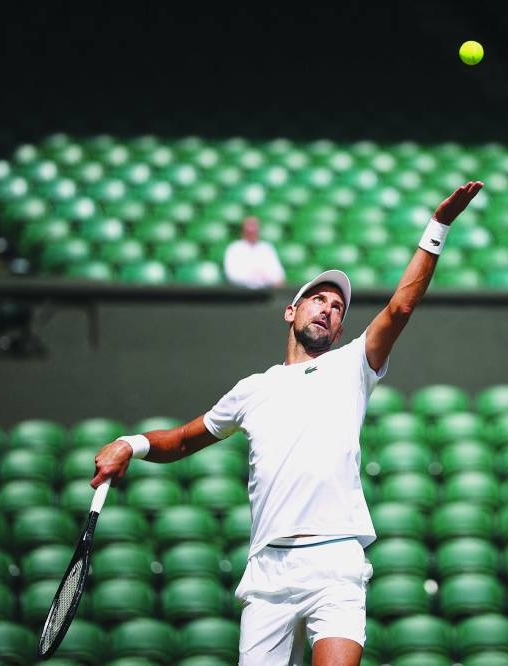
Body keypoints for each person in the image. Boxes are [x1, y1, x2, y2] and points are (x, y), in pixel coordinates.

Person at [91, 181, 484, 666]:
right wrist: (130, 444)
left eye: (338, 307)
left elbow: (401, 306)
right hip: (269, 572)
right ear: (291, 311)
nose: (330, 308)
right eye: (319, 298)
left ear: (340, 329)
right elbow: (181, 440)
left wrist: (437, 226)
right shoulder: (252, 389)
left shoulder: (352, 366)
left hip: (336, 563)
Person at [223, 216, 287, 288]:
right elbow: (232, 275)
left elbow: (278, 275)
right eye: (249, 231)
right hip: (240, 293)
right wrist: (257, 278)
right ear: (243, 231)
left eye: (254, 230)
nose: (252, 233)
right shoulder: (234, 248)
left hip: (266, 293)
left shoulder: (266, 248)